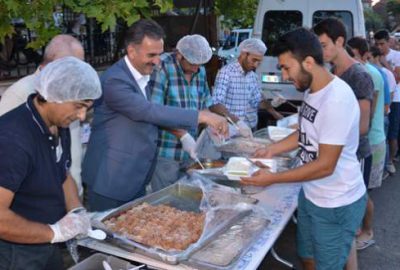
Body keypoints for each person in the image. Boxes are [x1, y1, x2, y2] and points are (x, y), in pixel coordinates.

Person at [242, 28, 367, 270]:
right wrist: (272, 150)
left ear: (308, 62)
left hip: (335, 203)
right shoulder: (314, 90)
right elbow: (304, 129)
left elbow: (325, 165)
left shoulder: (336, 100)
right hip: (312, 195)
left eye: (287, 68)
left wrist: (274, 178)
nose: (285, 75)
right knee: (307, 256)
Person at [82, 19, 227, 211]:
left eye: (159, 54)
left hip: (136, 176)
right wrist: (202, 117)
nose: (158, 61)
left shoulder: (145, 73)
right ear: (131, 51)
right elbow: (147, 111)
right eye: (151, 55)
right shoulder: (115, 80)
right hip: (110, 179)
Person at [0, 56, 101, 270]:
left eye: (87, 108)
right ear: (54, 95)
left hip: (47, 241)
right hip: (16, 251)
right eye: (79, 106)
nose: (82, 116)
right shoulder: (13, 139)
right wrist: (54, 232)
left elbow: (62, 173)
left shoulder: (56, 123)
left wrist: (76, 211)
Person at [313, 19, 376, 257]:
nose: (321, 51)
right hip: (334, 151)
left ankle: (368, 232)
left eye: (324, 44)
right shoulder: (332, 73)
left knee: (361, 197)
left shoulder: (359, 75)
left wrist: (325, 134)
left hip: (355, 151)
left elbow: (362, 126)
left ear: (340, 41)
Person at [0, 34, 86, 197]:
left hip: (69, 197)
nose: (79, 76)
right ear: (51, 65)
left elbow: (64, 162)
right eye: (71, 68)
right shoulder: (19, 93)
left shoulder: (72, 95)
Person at [148, 34, 214, 191]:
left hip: (192, 152)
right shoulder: (162, 68)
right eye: (192, 64)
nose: (196, 68)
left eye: (200, 64)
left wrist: (211, 125)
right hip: (167, 152)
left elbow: (204, 104)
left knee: (187, 198)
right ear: (179, 55)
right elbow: (154, 111)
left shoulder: (200, 70)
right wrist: (183, 136)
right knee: (165, 202)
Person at [210, 38, 283, 134]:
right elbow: (215, 104)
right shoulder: (226, 73)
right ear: (244, 54)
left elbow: (257, 102)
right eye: (254, 60)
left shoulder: (253, 76)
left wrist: (272, 104)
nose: (256, 65)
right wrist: (237, 122)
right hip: (231, 129)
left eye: (259, 62)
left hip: (251, 128)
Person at [374, 29, 400, 175]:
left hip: (396, 99)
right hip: (381, 99)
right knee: (381, 132)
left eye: (382, 44)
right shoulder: (375, 55)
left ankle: (390, 161)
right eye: (377, 44)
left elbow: (397, 78)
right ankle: (382, 162)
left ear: (388, 42)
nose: (379, 47)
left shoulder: (397, 56)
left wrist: (385, 64)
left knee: (392, 133)